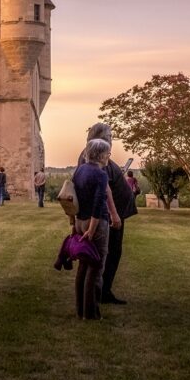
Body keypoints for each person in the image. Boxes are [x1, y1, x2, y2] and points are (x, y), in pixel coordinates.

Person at [78, 123, 128, 306]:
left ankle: (99, 293)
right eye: (109, 136)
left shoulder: (93, 155)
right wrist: (114, 215)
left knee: (110, 253)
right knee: (107, 254)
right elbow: (103, 190)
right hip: (106, 217)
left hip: (108, 215)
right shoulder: (95, 155)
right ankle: (100, 294)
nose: (111, 140)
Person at [71, 138, 112, 320]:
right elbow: (98, 202)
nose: (109, 156)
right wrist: (93, 228)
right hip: (94, 223)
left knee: (83, 266)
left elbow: (70, 196)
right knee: (95, 268)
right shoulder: (101, 174)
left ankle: (80, 310)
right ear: (102, 154)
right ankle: (91, 313)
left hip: (80, 220)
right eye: (108, 152)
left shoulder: (80, 169)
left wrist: (73, 223)